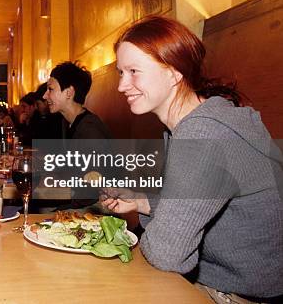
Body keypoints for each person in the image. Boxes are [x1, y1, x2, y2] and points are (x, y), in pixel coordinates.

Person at [102, 16, 282, 303]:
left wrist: (153, 228)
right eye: (120, 72)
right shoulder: (207, 118)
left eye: (134, 71)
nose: (122, 86)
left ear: (174, 73)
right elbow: (211, 198)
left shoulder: (201, 133)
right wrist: (143, 202)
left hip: (239, 295)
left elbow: (166, 253)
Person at [44, 62, 111, 139]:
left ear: (69, 92)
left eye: (50, 89)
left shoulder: (89, 130)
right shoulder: (67, 122)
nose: (45, 96)